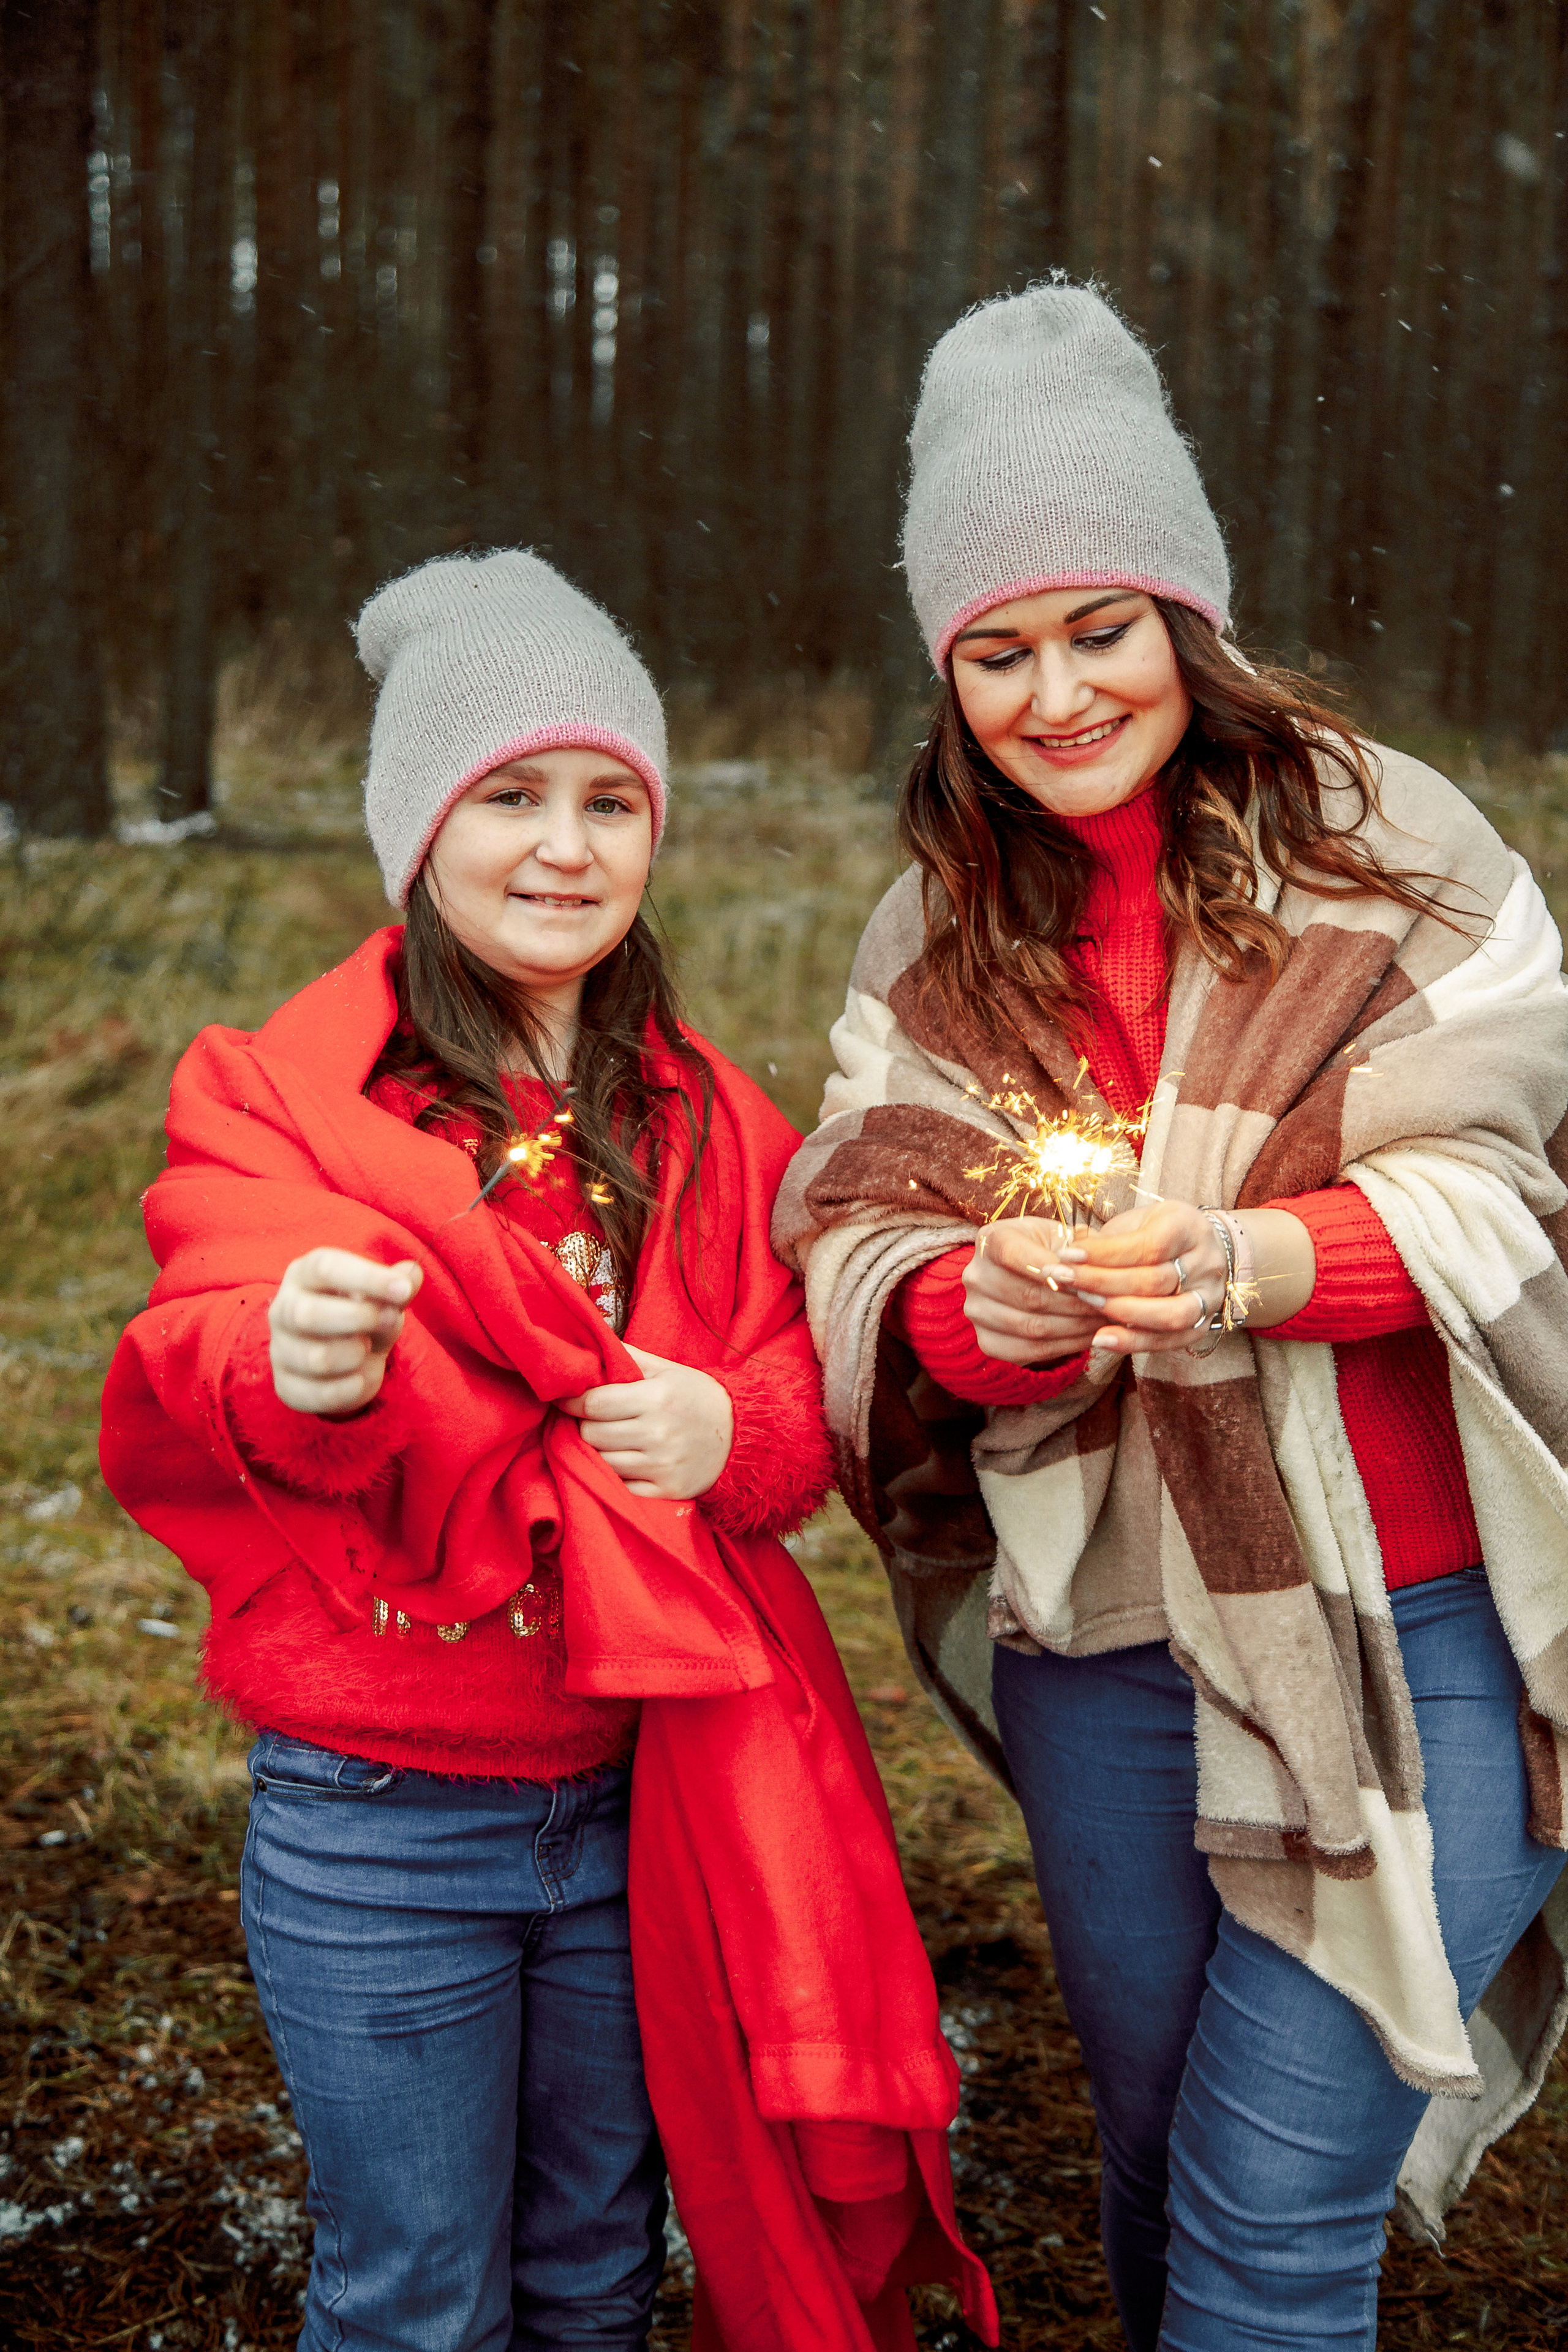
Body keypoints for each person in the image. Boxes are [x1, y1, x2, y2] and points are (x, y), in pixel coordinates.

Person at [774, 285, 1568, 2351]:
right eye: (999, 652)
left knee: (1268, 2213)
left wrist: (1249, 1263)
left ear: (1187, 619)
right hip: (1107, 1630)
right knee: (1148, 2156)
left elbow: (1510, 1196)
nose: (1057, 695)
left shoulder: (1399, 852)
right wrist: (990, 1307)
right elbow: (860, 1238)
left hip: (1426, 1626)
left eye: (1099, 627)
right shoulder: (941, 930)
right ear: (949, 673)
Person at [100, 551, 997, 2352]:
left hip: (638, 1804)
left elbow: (802, 1386)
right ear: (419, 827)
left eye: (609, 801)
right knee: (417, 2292)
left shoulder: (703, 1116)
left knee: (596, 2271)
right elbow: (210, 1319)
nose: (565, 848)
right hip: (380, 1812)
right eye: (510, 796)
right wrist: (300, 1366)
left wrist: (726, 1427)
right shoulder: (300, 1098)